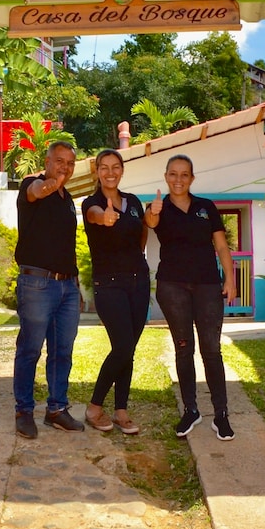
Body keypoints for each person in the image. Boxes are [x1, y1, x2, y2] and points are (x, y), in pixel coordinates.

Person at [145, 154, 237, 441]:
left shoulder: (205, 208)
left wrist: (230, 278)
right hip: (172, 287)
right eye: (173, 174)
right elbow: (150, 221)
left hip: (208, 286)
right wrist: (153, 210)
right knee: (183, 348)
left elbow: (221, 246)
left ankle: (220, 414)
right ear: (166, 176)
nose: (178, 179)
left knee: (212, 350)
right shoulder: (159, 208)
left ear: (192, 178)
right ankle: (190, 410)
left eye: (184, 174)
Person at [12, 141, 84, 438]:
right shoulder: (32, 184)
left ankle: (56, 409)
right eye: (59, 161)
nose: (64, 167)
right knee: (30, 349)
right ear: (47, 161)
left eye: (69, 162)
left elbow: (66, 245)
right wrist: (49, 184)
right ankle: (24, 411)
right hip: (37, 283)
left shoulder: (68, 198)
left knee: (62, 351)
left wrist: (76, 285)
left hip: (67, 284)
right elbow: (36, 191)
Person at [81, 149, 149, 435]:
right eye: (104, 167)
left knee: (128, 350)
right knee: (121, 347)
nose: (110, 172)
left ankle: (121, 410)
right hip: (108, 284)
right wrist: (105, 218)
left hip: (138, 281)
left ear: (122, 170)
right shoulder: (91, 203)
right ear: (97, 171)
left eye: (115, 167)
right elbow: (95, 216)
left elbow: (142, 231)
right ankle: (95, 407)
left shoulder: (133, 202)